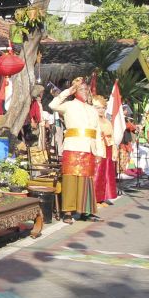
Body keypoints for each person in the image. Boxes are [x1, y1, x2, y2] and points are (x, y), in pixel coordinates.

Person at [48, 78, 99, 222]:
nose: (85, 92)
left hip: (89, 147)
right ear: (75, 92)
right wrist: (68, 92)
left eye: (86, 90)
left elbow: (97, 131)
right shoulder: (69, 106)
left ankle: (85, 211)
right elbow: (53, 104)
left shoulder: (92, 109)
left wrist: (99, 151)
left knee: (86, 180)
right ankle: (68, 212)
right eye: (81, 90)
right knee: (70, 179)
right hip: (72, 147)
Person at [91, 95, 117, 205]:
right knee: (97, 173)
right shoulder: (92, 120)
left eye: (103, 108)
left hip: (108, 148)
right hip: (99, 149)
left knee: (107, 173)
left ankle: (103, 197)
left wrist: (114, 150)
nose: (101, 110)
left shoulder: (107, 121)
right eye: (98, 108)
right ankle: (95, 199)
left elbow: (112, 136)